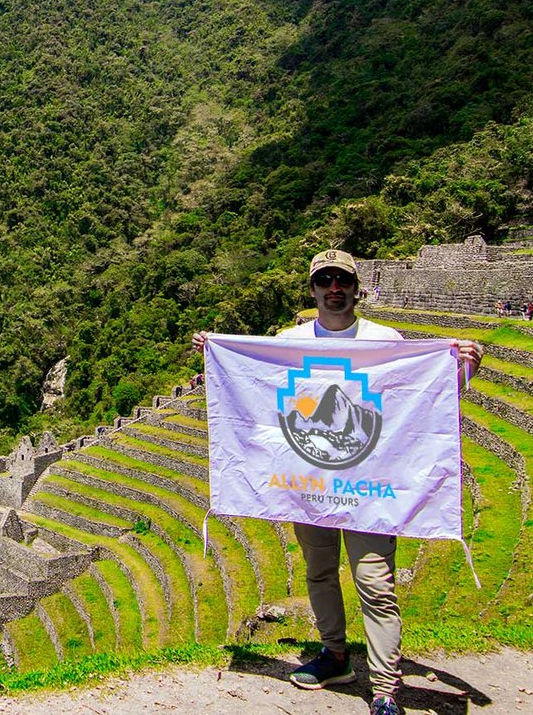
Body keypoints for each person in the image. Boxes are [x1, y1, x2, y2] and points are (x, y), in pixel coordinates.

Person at [192, 249, 481, 715]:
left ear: (356, 287)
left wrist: (465, 366)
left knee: (375, 582)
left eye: (342, 280)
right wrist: (218, 355)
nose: (333, 288)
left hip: (369, 487)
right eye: (324, 280)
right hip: (309, 487)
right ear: (312, 289)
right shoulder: (291, 341)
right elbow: (258, 391)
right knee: (319, 571)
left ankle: (386, 689)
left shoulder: (385, 340)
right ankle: (335, 654)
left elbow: (421, 396)